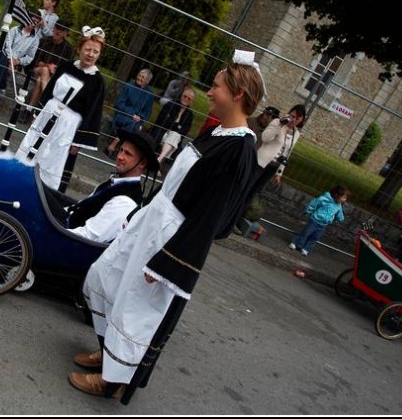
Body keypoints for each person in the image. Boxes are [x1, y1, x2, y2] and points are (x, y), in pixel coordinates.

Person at [69, 49, 266, 403]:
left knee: (136, 308)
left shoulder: (239, 151)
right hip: (154, 221)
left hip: (169, 238)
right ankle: (109, 352)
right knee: (104, 276)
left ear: (237, 94)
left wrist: (168, 264)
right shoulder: (218, 134)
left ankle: (112, 380)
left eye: (217, 86)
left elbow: (210, 219)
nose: (210, 91)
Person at [15, 26, 106, 190]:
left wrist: (79, 140)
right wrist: (38, 114)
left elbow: (93, 112)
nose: (90, 54)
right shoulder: (66, 67)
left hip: (69, 127)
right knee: (34, 148)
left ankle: (46, 191)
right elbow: (49, 91)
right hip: (49, 113)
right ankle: (19, 179)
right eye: (87, 49)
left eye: (95, 51)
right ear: (79, 49)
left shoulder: (97, 81)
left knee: (54, 160)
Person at [46, 130, 160, 243]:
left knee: (33, 191)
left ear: (142, 163)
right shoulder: (117, 182)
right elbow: (82, 206)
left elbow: (88, 236)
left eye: (128, 154)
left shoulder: (125, 202)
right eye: (121, 150)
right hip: (67, 220)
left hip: (65, 235)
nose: (120, 156)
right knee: (39, 187)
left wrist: (49, 224)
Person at [25, 20, 75, 115]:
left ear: (65, 33)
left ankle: (29, 110)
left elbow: (67, 71)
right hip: (37, 71)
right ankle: (46, 100)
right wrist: (47, 66)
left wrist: (55, 70)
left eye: (61, 30)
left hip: (54, 77)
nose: (57, 31)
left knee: (40, 80)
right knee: (44, 70)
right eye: (56, 27)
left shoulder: (69, 49)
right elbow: (34, 61)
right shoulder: (44, 41)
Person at [105, 69, 154, 157]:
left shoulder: (150, 94)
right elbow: (119, 104)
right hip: (122, 115)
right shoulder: (128, 86)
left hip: (136, 120)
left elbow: (148, 111)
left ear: (147, 81)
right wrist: (132, 114)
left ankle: (114, 146)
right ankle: (115, 147)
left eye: (143, 77)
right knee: (133, 126)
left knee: (135, 126)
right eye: (139, 75)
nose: (139, 78)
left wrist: (140, 117)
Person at [289, 185, 349, 256]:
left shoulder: (339, 205)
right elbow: (314, 204)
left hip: (323, 225)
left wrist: (341, 218)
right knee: (306, 232)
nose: (345, 200)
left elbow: (339, 213)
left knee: (315, 237)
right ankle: (296, 243)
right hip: (314, 220)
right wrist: (308, 211)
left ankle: (306, 248)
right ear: (336, 195)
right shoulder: (324, 199)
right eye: (344, 197)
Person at [0, 10, 41, 94]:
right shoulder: (14, 30)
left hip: (17, 62)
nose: (34, 24)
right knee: (4, 62)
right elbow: (7, 46)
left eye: (37, 22)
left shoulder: (35, 39)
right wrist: (10, 60)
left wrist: (18, 61)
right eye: (33, 20)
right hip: (6, 56)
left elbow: (30, 57)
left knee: (5, 65)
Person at [148, 87, 195, 166]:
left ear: (191, 101)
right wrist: (178, 126)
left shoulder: (189, 114)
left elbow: (184, 131)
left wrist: (173, 125)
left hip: (173, 138)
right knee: (174, 136)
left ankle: (159, 159)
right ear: (181, 95)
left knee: (175, 136)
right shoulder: (170, 105)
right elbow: (162, 121)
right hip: (161, 132)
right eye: (184, 96)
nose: (186, 99)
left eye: (189, 98)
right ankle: (159, 163)